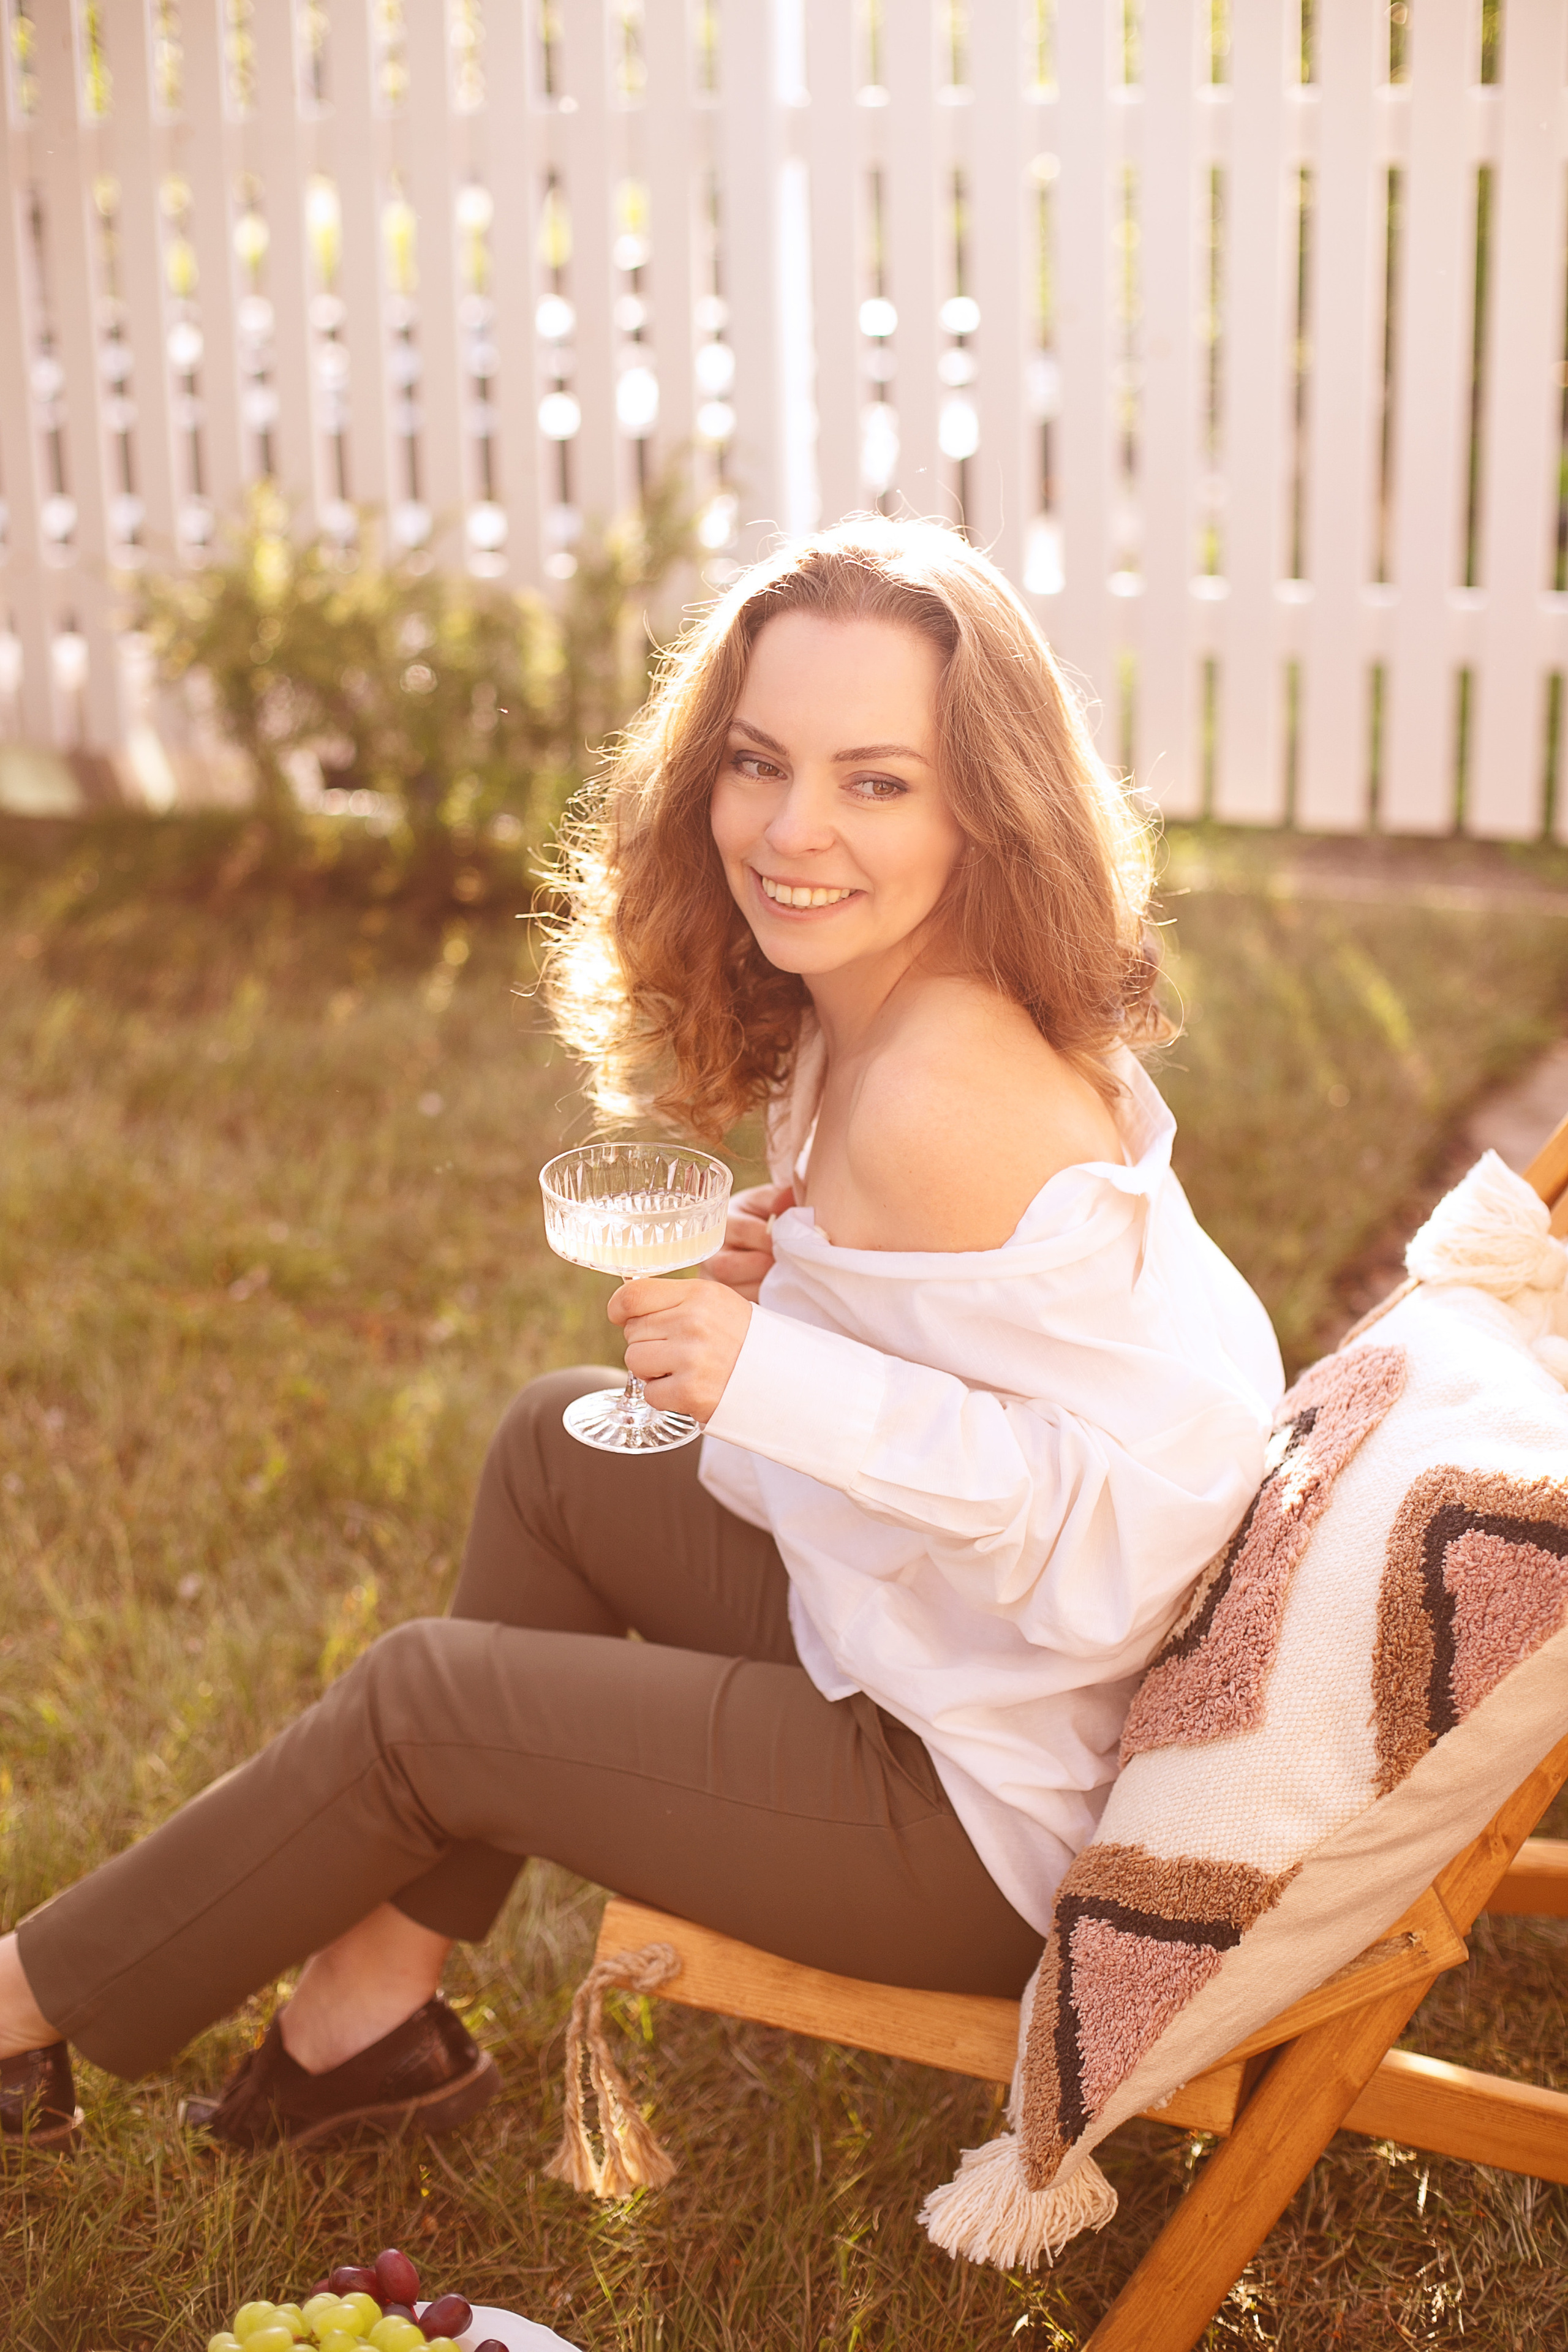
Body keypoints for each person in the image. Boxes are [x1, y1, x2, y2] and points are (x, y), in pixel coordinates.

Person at [0, 519, 1283, 2152]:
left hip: (982, 1815)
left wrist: (778, 1368)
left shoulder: (942, 1092)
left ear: (985, 802)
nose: (793, 830)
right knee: (559, 1449)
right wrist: (798, 1280)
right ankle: (365, 2027)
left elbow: (1138, 1536)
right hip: (940, 1664)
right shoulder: (883, 1009)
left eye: (877, 781)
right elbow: (1000, 1354)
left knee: (427, 1706)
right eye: (758, 762)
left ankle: (20, 2011)